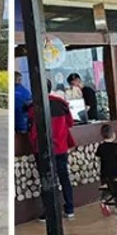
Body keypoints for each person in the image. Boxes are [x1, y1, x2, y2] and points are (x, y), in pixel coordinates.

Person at [29, 79, 76, 219]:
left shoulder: (33, 107)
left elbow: (31, 131)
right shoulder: (61, 104)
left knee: (47, 181)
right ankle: (69, 208)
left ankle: (49, 212)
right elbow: (71, 123)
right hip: (61, 147)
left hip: (43, 149)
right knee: (64, 178)